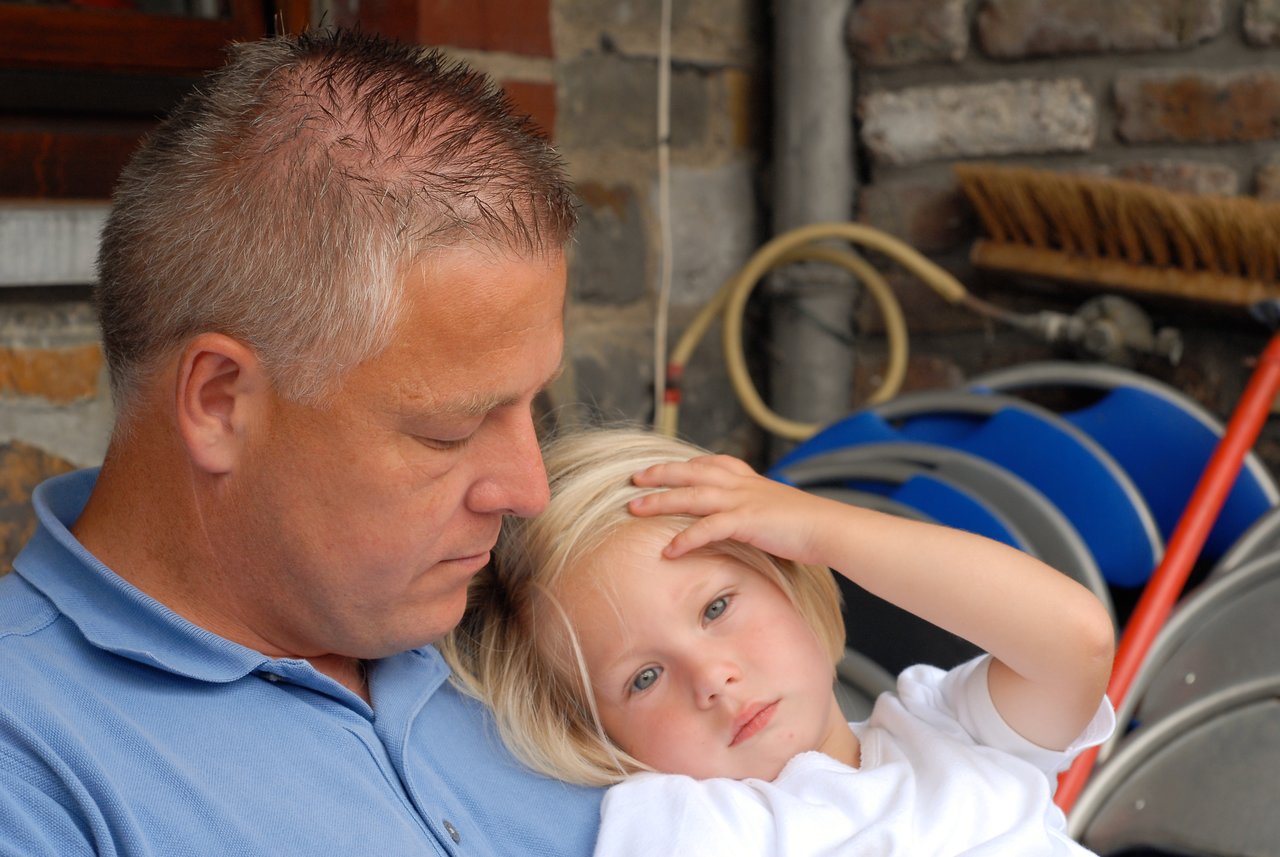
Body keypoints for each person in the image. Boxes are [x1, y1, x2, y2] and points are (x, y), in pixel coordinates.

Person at [0, 28, 603, 856]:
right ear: (220, 403)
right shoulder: (31, 767)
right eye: (448, 430)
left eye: (533, 408)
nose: (529, 491)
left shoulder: (533, 612)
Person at [442, 427, 1117, 856]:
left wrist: (821, 527)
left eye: (716, 606)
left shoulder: (946, 729)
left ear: (791, 578)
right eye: (642, 678)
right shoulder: (694, 824)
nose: (712, 676)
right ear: (595, 736)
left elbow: (1075, 641)